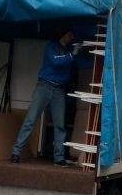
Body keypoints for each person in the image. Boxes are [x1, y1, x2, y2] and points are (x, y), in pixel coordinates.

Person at [10, 28, 78, 166]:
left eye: (72, 35)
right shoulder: (51, 46)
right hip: (44, 87)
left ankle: (58, 158)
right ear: (62, 34)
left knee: (60, 125)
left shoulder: (68, 50)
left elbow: (68, 67)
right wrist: (72, 55)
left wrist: (73, 54)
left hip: (59, 89)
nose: (71, 37)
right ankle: (16, 152)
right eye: (69, 34)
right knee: (30, 119)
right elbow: (56, 62)